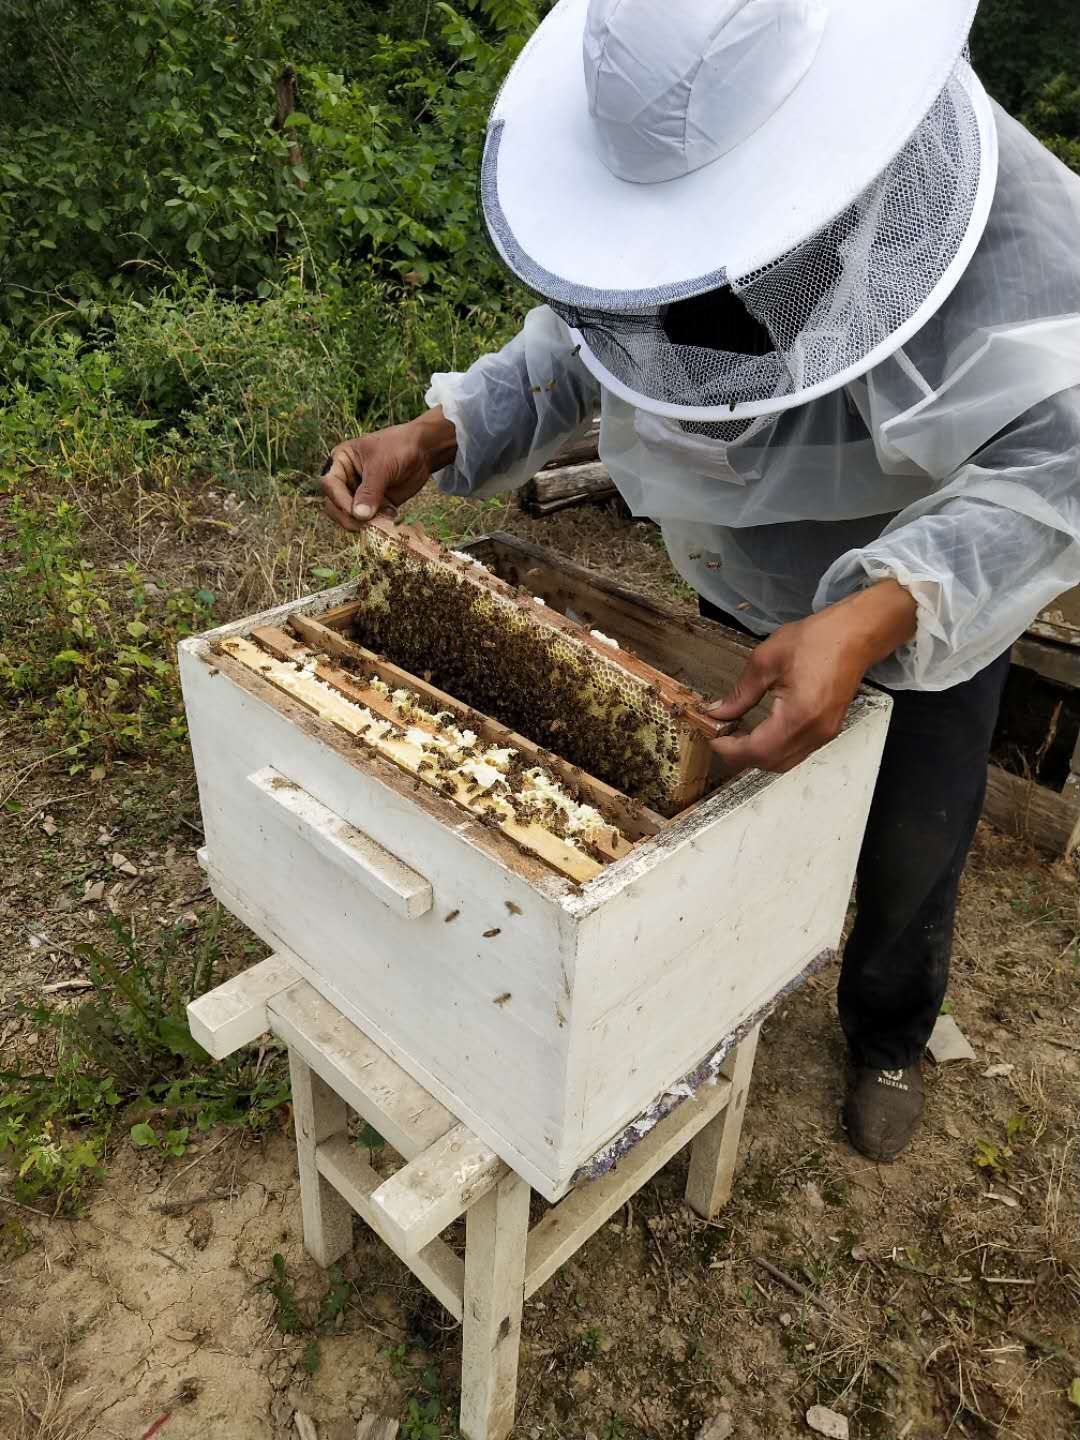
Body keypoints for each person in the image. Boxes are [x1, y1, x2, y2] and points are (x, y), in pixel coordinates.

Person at [321, 0, 1080, 1162]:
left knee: (910, 847)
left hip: (922, 604)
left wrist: (877, 612)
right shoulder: (648, 179)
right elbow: (589, 336)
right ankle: (712, 1002)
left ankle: (886, 1034)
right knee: (716, 820)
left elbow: (1059, 455)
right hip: (732, 584)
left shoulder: (998, 219)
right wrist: (443, 429)